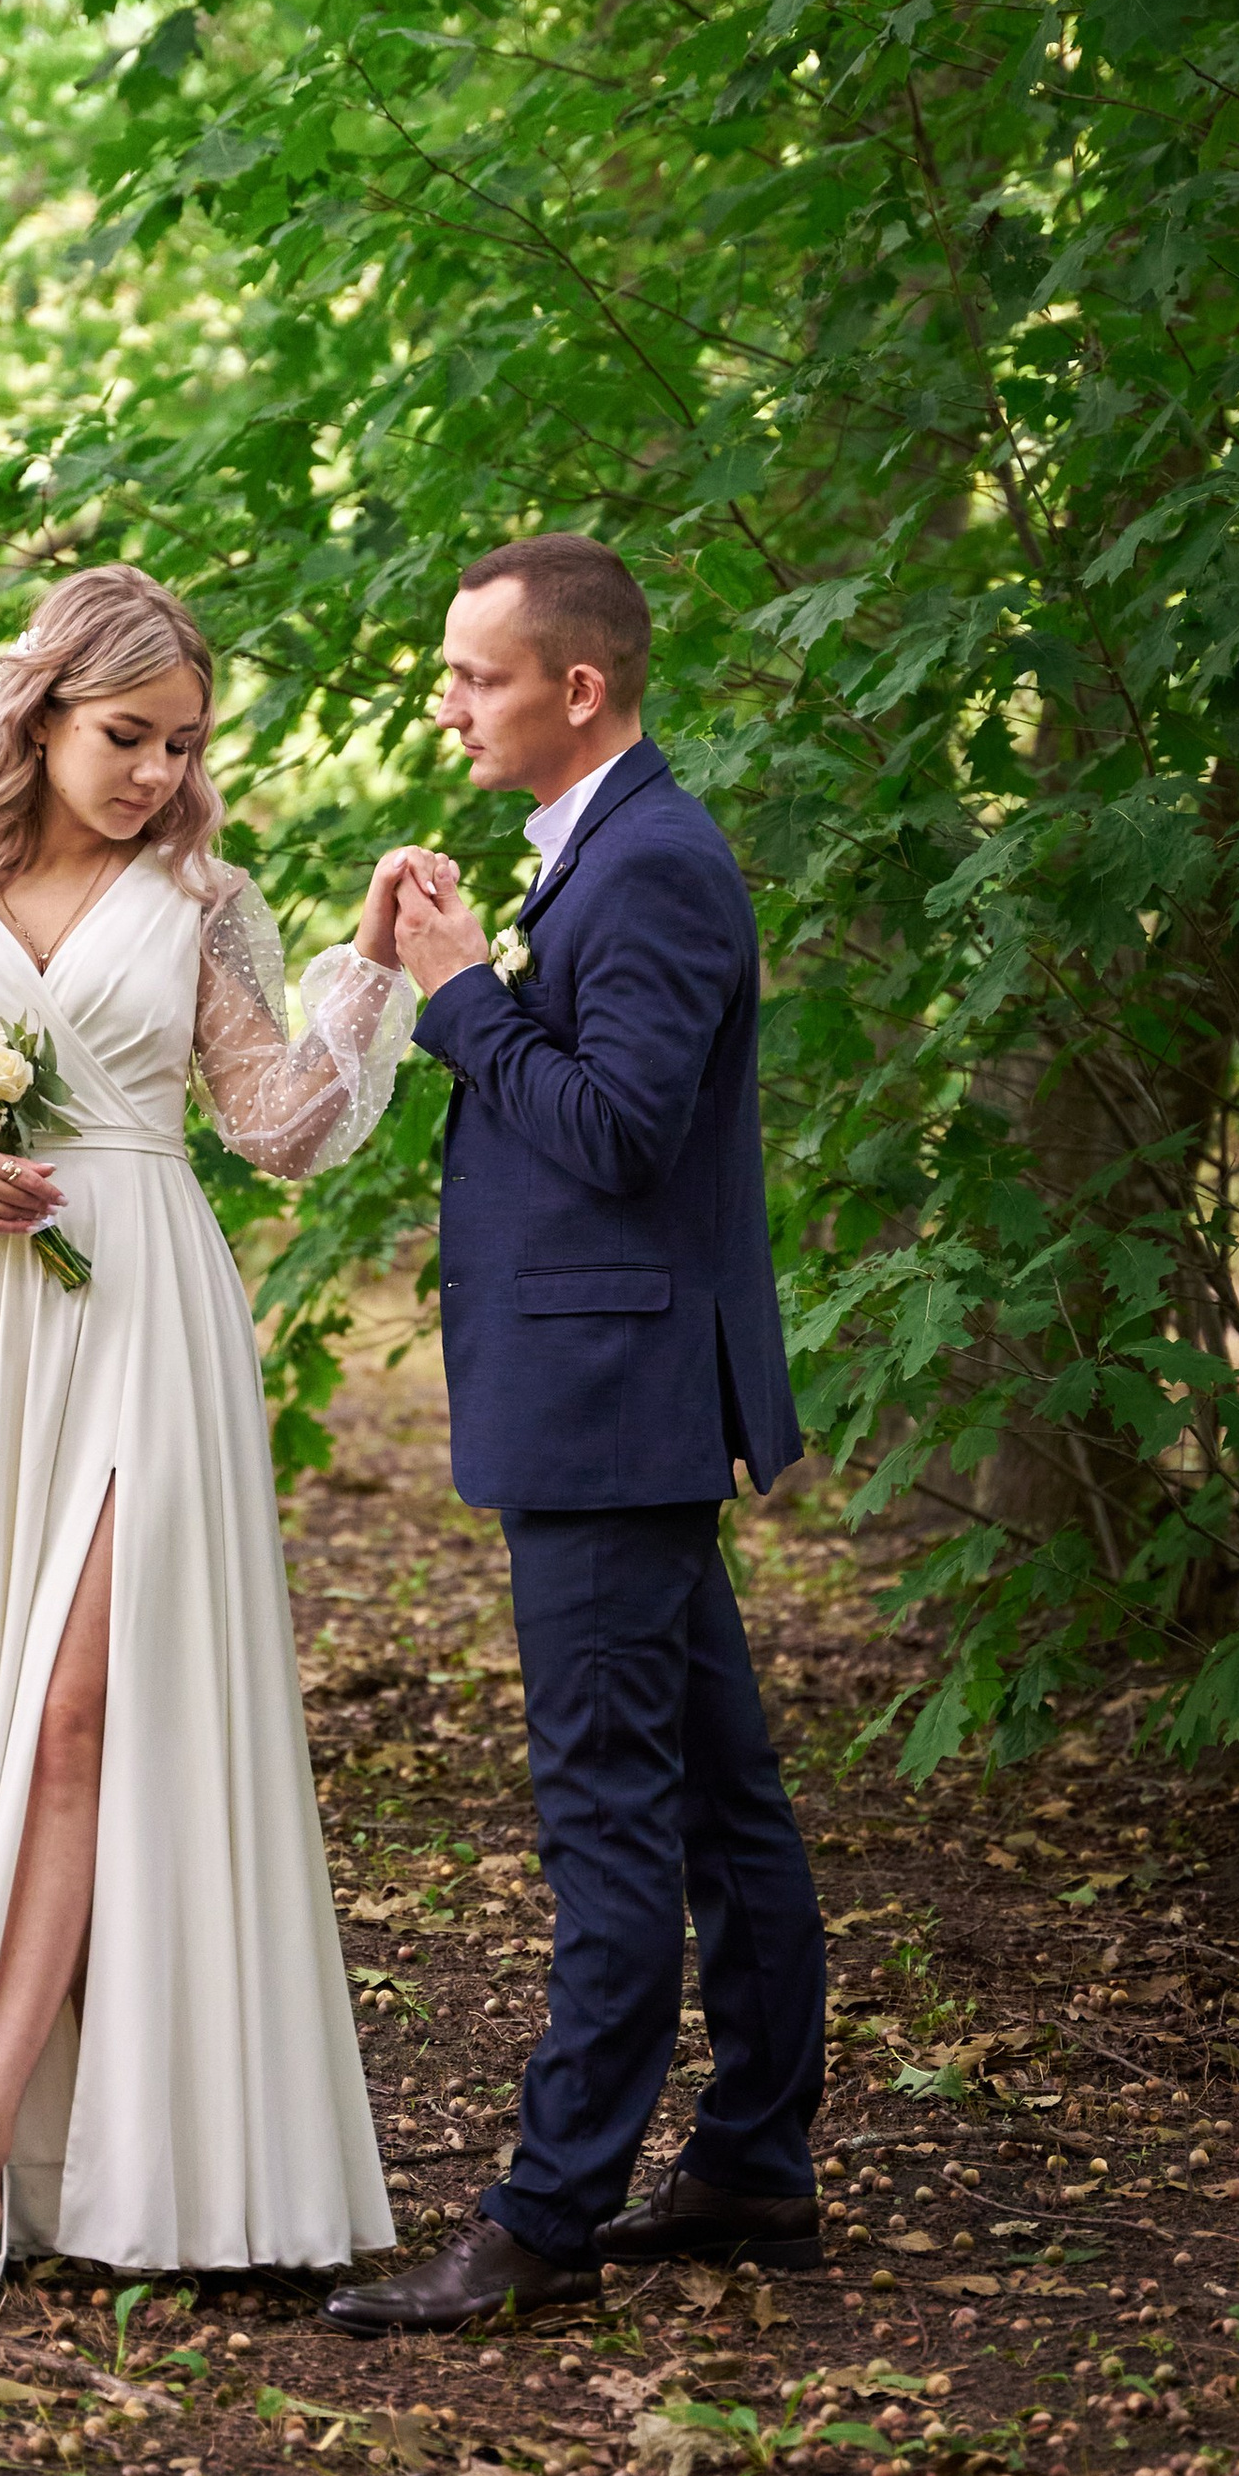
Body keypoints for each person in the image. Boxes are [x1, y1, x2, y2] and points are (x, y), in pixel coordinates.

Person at [0, 566, 423, 2309]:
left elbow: (279, 1129)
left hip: (149, 1307)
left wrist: (368, 971)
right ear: (41, 709)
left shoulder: (202, 894)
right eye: (125, 735)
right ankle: (3, 2127)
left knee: (81, 1716)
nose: (154, 771)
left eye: (184, 744)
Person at [328, 533, 828, 2336]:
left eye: (477, 676)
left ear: (580, 690)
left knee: (611, 1812)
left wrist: (469, 1000)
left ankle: (546, 2213)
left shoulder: (661, 865)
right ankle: (759, 2162)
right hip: (608, 1401)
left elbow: (618, 1131)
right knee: (720, 1802)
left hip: (611, 1411)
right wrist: (473, 978)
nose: (450, 702)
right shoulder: (606, 854)